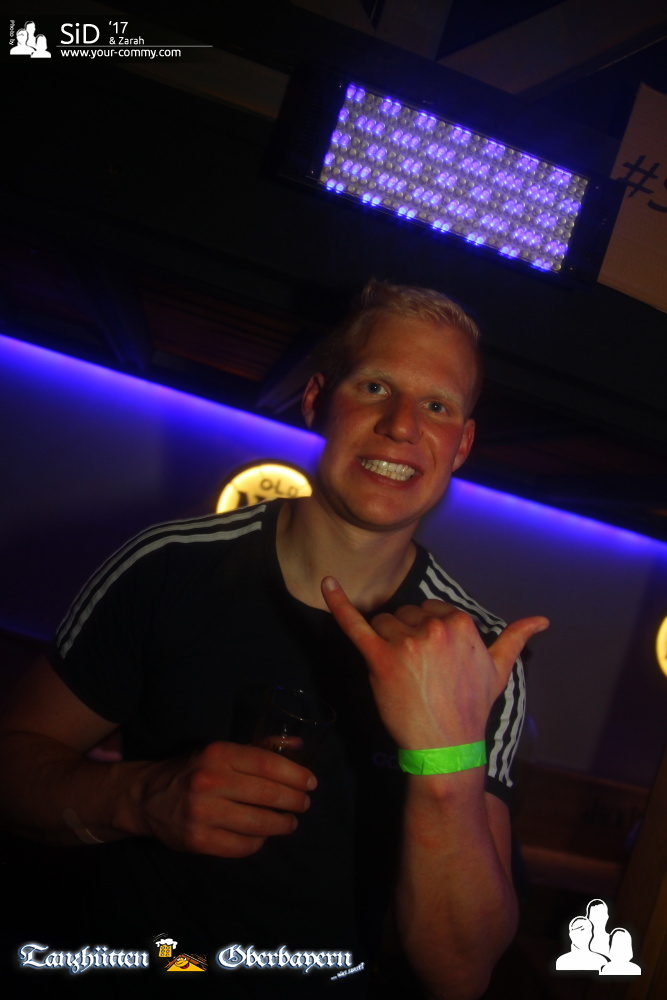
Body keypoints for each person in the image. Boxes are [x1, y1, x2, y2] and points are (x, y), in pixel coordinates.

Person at [0, 280, 548, 999]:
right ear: (317, 400)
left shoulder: (478, 653)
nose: (401, 425)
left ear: (462, 445)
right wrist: (142, 796)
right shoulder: (166, 565)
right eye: (375, 386)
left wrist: (445, 759)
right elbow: (13, 767)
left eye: (437, 406)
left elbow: (460, 971)